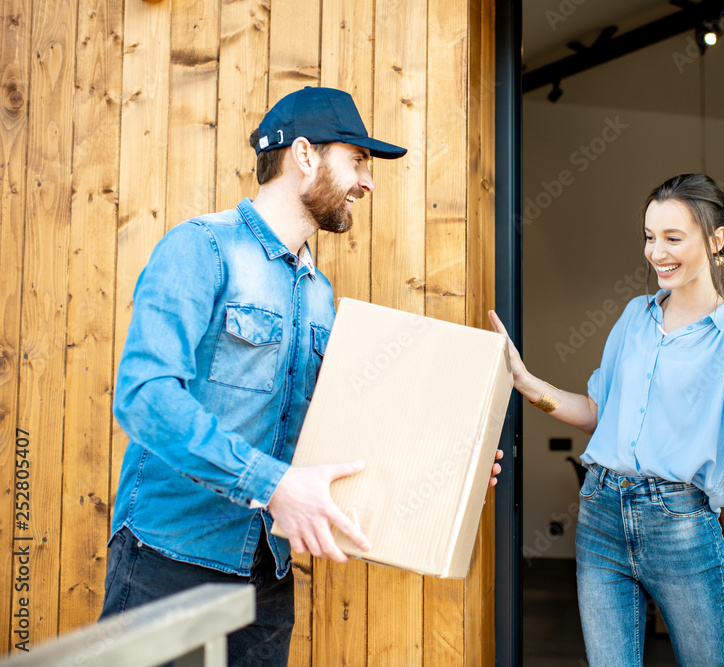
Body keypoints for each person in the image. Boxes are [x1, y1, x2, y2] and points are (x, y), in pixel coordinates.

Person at [100, 86, 502, 666]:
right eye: (358, 162)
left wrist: (446, 463)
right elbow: (145, 398)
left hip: (265, 573)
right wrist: (273, 484)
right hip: (172, 563)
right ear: (306, 156)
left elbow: (324, 426)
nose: (368, 183)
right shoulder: (202, 249)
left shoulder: (318, 294)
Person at [490, 173, 724, 667]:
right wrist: (526, 381)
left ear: (716, 240)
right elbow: (596, 413)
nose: (657, 252)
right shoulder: (635, 316)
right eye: (650, 237)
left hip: (681, 526)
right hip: (600, 513)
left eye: (673, 238)